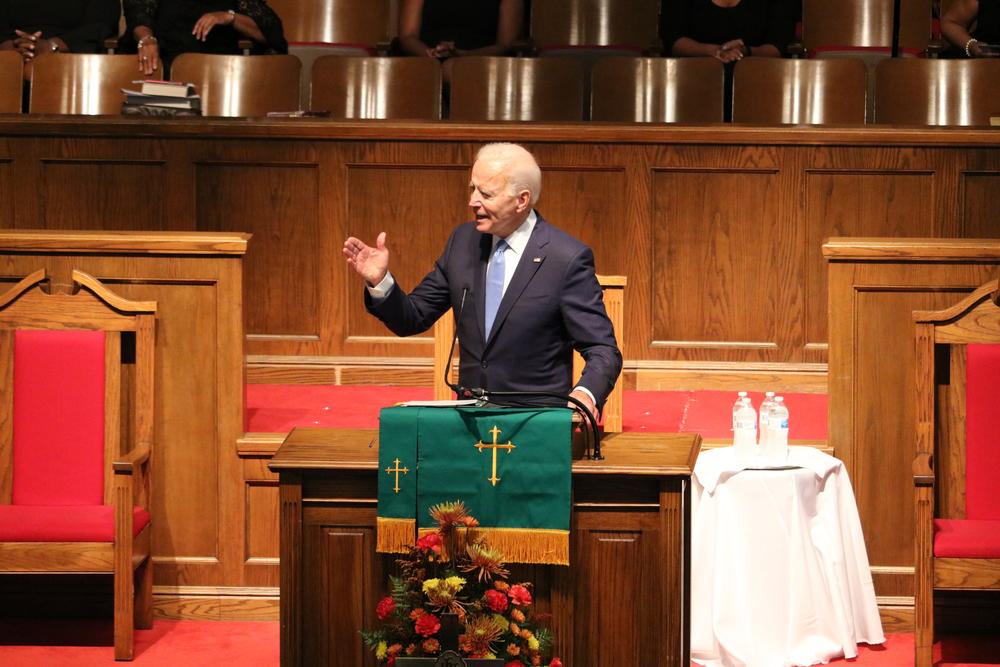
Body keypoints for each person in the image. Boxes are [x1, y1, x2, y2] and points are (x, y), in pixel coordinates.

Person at [343, 143, 622, 418]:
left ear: (521, 200)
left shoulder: (566, 257)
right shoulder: (463, 242)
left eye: (486, 194)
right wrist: (380, 281)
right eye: (472, 189)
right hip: (469, 419)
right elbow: (412, 318)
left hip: (535, 419)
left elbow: (602, 348)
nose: (472, 201)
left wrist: (585, 393)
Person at [123, 0, 287, 76]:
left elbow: (270, 32)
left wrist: (229, 17)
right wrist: (146, 38)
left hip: (218, 71)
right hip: (162, 65)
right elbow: (138, 18)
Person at [397, 0, 522, 81]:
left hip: (482, 59)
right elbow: (408, 36)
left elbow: (505, 44)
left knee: (454, 68)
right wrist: (431, 54)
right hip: (425, 56)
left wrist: (465, 55)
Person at [0, 0, 119, 76]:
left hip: (72, 52)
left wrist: (53, 45)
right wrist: (8, 45)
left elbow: (102, 22)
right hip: (10, 48)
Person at [662, 0, 796, 62]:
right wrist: (713, 51)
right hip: (691, 76)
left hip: (759, 79)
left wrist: (745, 51)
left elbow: (778, 46)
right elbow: (674, 40)